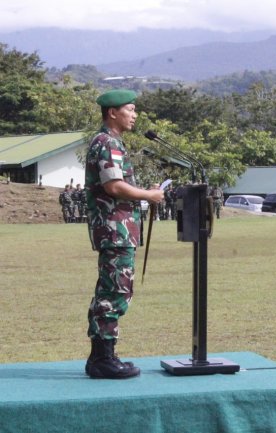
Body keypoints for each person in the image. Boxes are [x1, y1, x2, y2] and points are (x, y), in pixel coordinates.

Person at [84, 89, 164, 379]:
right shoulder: (108, 142)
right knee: (115, 291)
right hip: (115, 229)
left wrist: (145, 192)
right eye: (130, 109)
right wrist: (150, 195)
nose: (135, 114)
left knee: (111, 289)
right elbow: (114, 187)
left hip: (117, 229)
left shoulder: (109, 142)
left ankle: (101, 357)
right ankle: (103, 360)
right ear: (112, 112)